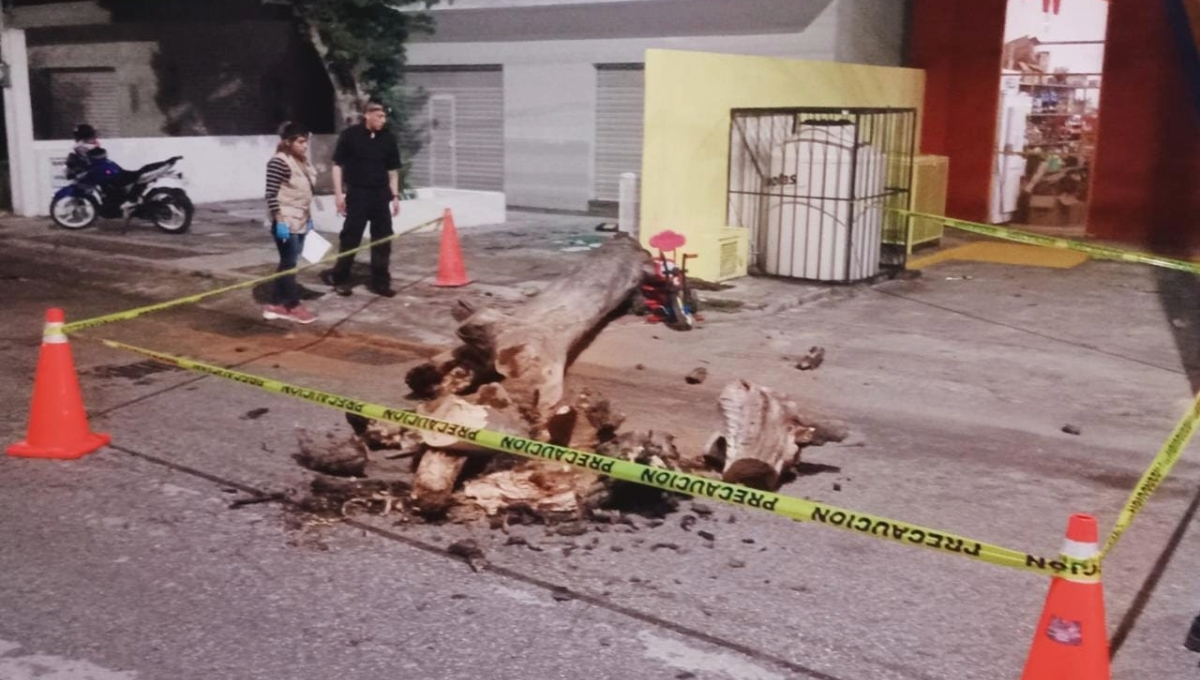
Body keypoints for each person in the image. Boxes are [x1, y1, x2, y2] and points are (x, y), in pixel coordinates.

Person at [321, 101, 402, 298]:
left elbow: (392, 170)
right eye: (379, 116)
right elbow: (337, 165)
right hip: (357, 194)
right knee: (351, 237)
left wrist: (395, 196)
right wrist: (339, 194)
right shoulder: (350, 136)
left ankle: (380, 282)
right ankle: (340, 278)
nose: (382, 120)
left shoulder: (388, 138)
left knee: (383, 240)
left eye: (384, 117)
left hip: (380, 195)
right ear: (367, 115)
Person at [262, 121, 318, 324]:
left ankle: (276, 304)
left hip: (301, 219)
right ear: (288, 142)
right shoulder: (279, 162)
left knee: (288, 262)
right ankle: (293, 305)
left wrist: (309, 220)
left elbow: (305, 193)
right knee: (289, 262)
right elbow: (270, 194)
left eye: (306, 142)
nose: (305, 146)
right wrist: (279, 222)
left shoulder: (301, 161)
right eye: (301, 142)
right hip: (285, 221)